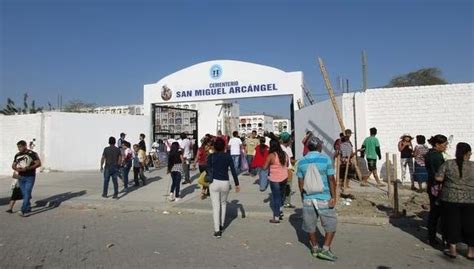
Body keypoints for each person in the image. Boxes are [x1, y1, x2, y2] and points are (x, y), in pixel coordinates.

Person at [296, 136, 338, 261]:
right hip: (324, 198)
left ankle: (314, 248)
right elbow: (331, 179)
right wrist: (334, 197)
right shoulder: (325, 159)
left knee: (310, 225)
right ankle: (325, 249)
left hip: (308, 198)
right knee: (331, 225)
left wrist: (303, 196)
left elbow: (300, 182)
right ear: (319, 146)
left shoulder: (302, 161)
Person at [436, 142, 473, 259]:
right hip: (470, 199)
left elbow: (439, 177)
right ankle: (471, 251)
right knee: (470, 224)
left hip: (450, 198)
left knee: (452, 223)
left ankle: (452, 250)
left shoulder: (448, 163)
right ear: (468, 153)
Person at [207, 137, 240, 238]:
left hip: (214, 182)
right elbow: (233, 170)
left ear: (215, 146)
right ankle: (222, 225)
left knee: (216, 207)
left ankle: (217, 231)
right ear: (224, 146)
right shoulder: (228, 156)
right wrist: (237, 184)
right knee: (223, 204)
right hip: (225, 182)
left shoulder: (211, 156)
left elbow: (207, 169)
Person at [425, 134, 448, 247]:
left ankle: (431, 236)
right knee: (437, 213)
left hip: (431, 185)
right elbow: (440, 172)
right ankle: (434, 238)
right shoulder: (437, 156)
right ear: (437, 145)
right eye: (444, 145)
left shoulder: (430, 154)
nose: (446, 147)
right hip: (437, 186)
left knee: (434, 212)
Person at [11, 140, 42, 216]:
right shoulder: (17, 155)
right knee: (25, 194)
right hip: (20, 177)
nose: (19, 149)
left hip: (30, 176)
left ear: (25, 146)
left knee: (27, 192)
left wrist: (29, 168)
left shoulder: (32, 154)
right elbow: (13, 165)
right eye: (18, 147)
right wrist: (16, 169)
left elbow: (38, 163)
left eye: (20, 147)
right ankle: (27, 207)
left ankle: (23, 210)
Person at [263, 138, 289, 223]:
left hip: (275, 179)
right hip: (284, 177)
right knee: (281, 195)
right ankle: (280, 210)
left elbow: (264, 167)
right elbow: (288, 164)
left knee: (276, 198)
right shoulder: (284, 154)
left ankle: (276, 217)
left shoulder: (271, 155)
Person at [280, 132, 295, 208]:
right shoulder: (282, 148)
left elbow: (290, 160)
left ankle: (286, 202)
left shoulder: (287, 148)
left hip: (288, 170)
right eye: (290, 139)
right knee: (285, 187)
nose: (291, 141)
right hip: (284, 170)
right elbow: (290, 160)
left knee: (287, 187)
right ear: (288, 140)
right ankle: (284, 202)